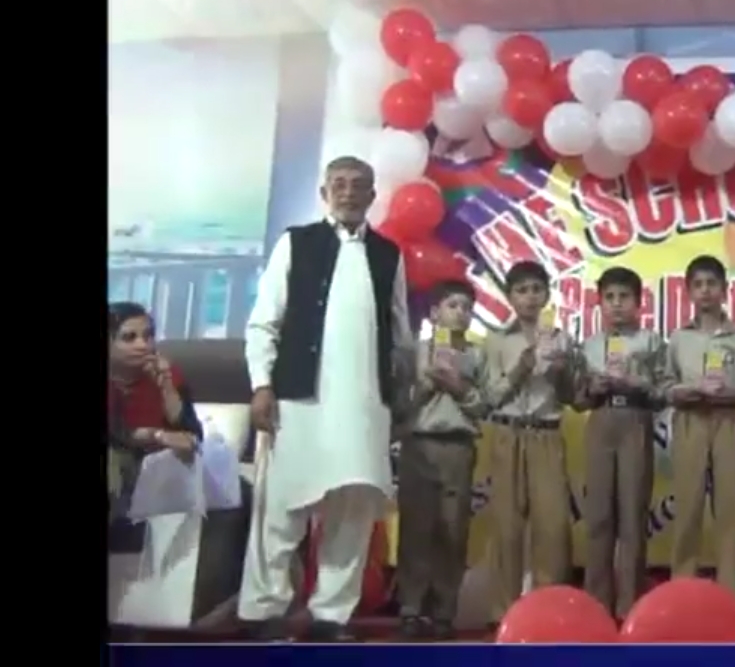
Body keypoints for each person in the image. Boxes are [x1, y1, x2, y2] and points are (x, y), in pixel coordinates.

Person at [240, 156, 415, 643]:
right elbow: (264, 321)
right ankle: (265, 610)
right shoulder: (296, 242)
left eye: (358, 185)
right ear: (324, 193)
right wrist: (261, 384)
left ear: (372, 195)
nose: (348, 192)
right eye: (338, 184)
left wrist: (402, 394)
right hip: (298, 400)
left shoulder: (388, 253)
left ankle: (331, 616)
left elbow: (401, 333)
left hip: (365, 406)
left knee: (353, 511)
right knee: (281, 507)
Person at [479, 260, 576, 630]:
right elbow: (490, 397)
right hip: (507, 433)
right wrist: (521, 368)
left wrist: (561, 373)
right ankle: (502, 614)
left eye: (537, 290)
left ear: (547, 295)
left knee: (552, 525)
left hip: (546, 433)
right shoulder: (496, 341)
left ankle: (548, 611)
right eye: (522, 290)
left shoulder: (561, 339)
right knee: (506, 526)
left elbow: (572, 397)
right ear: (510, 297)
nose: (530, 297)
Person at [661, 255, 735, 606]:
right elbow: (665, 385)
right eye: (698, 285)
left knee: (729, 512)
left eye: (712, 284)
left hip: (728, 421)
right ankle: (680, 596)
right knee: (687, 510)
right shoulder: (679, 338)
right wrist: (683, 391)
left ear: (724, 290)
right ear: (688, 292)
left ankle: (733, 599)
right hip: (690, 420)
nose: (705, 291)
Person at [396, 280, 487, 641]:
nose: (460, 313)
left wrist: (457, 386)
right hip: (419, 445)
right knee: (416, 529)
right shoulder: (415, 353)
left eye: (466, 308)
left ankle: (444, 611)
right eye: (453, 306)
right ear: (434, 313)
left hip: (458, 447)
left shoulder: (476, 355)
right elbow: (400, 405)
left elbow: (484, 405)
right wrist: (428, 385)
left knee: (453, 530)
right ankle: (410, 609)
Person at [108, 302, 206, 635]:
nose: (143, 344)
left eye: (148, 335)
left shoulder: (169, 374)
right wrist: (158, 435)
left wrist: (165, 385)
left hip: (156, 473)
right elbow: (117, 433)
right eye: (129, 337)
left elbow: (191, 433)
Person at [576, 266, 664, 620]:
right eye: (609, 297)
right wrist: (591, 389)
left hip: (635, 420)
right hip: (600, 420)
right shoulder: (589, 346)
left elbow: (663, 392)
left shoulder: (650, 342)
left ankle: (630, 606)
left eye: (624, 297)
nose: (616, 304)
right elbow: (578, 399)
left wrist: (637, 383)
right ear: (599, 303)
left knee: (632, 516)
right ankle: (596, 605)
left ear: (638, 303)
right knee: (598, 516)